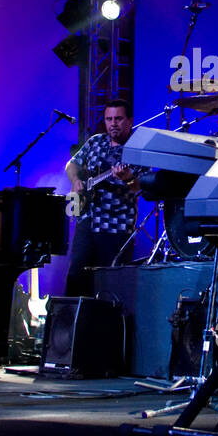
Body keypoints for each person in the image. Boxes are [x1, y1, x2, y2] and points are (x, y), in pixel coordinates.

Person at [64, 100, 143, 297]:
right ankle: (73, 323)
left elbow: (141, 186)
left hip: (116, 226)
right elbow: (72, 164)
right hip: (87, 221)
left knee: (110, 284)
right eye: (109, 119)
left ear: (130, 121)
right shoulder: (95, 141)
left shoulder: (139, 149)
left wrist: (128, 178)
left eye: (118, 119)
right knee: (76, 276)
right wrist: (75, 181)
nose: (113, 123)